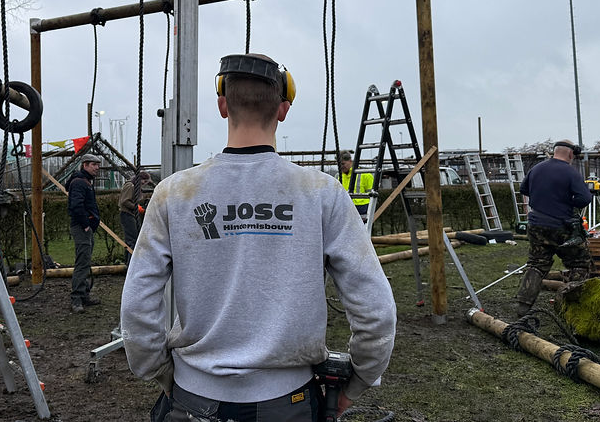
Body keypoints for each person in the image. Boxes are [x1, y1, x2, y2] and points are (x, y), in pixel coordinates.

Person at [121, 53, 397, 421]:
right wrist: (359, 380)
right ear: (283, 110)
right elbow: (376, 310)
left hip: (192, 399)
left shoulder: (174, 192)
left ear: (223, 105)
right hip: (288, 403)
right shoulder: (321, 193)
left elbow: (138, 305)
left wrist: (160, 371)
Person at [515, 139, 593, 317]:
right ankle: (574, 305)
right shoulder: (570, 172)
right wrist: (566, 201)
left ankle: (523, 305)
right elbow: (584, 198)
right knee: (580, 263)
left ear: (555, 151)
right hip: (561, 226)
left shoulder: (537, 168)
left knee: (537, 264)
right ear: (571, 154)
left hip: (536, 224)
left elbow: (524, 189)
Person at [67, 152, 103, 314]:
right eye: (94, 165)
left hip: (86, 227)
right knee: (82, 262)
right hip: (82, 228)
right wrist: (86, 224)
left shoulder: (86, 182)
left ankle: (84, 294)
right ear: (85, 165)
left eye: (98, 165)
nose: (97, 168)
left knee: (86, 261)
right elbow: (76, 206)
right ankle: (76, 299)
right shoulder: (80, 183)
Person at [119, 170, 152, 266]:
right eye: (144, 181)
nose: (145, 184)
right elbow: (124, 201)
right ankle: (131, 263)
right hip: (127, 214)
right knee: (132, 239)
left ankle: (129, 261)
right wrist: (136, 207)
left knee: (133, 239)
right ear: (141, 179)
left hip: (131, 214)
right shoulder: (130, 186)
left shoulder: (137, 187)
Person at [338, 151, 374, 222]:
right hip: (346, 208)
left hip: (363, 208)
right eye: (339, 164)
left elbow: (372, 196)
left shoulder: (365, 174)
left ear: (350, 161)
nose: (341, 166)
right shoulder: (339, 176)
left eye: (343, 164)